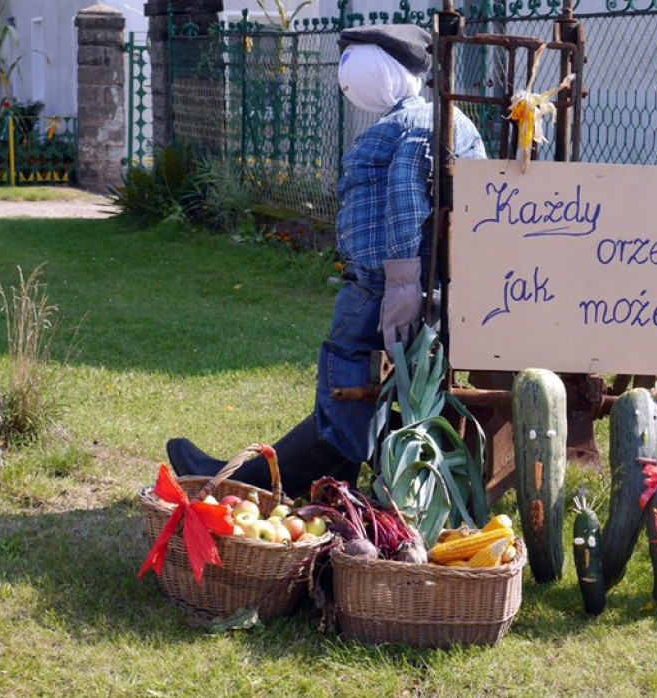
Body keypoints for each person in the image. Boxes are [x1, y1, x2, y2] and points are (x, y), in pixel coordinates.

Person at [166, 24, 487, 498]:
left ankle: (264, 482)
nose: (344, 80)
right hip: (419, 285)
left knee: (347, 384)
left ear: (384, 70)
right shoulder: (441, 121)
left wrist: (403, 286)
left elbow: (406, 202)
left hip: (381, 288)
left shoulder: (411, 126)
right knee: (362, 393)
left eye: (352, 66)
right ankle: (303, 480)